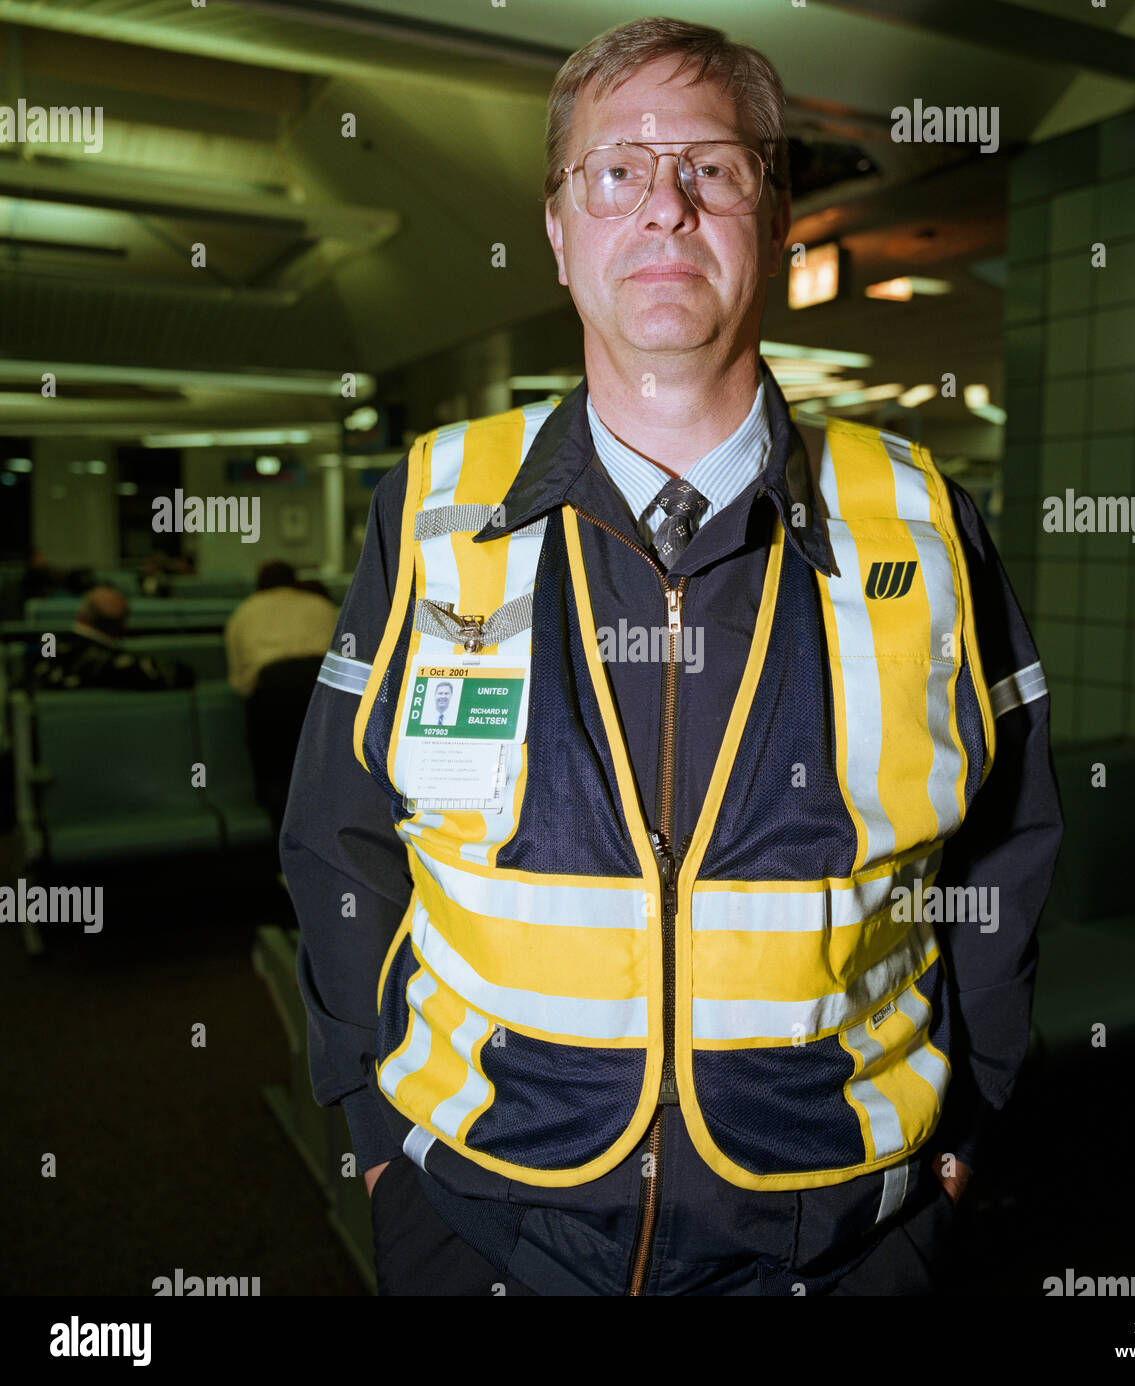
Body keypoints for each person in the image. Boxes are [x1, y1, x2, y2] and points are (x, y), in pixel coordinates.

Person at [282, 16, 1063, 1297]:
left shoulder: (919, 520)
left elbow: (1008, 844)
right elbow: (338, 833)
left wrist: (965, 1122)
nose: (665, 208)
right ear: (557, 226)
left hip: (844, 1236)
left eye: (713, 169)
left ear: (777, 213)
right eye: (617, 171)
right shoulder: (431, 504)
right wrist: (375, 1139)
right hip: (489, 1224)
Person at [226, 560, 338, 837]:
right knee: (326, 767)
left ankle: (284, 850)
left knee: (277, 773)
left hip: (273, 687)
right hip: (321, 683)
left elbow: (240, 679)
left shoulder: (244, 611)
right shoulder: (321, 606)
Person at [31, 585, 194, 692]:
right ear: (123, 628)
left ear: (80, 617)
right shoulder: (116, 664)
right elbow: (179, 675)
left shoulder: (48, 643)